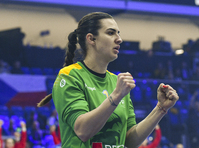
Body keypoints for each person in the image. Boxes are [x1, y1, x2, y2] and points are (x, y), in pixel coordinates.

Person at [37, 12, 179, 148]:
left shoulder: (115, 82)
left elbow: (129, 141)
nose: (119, 39)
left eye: (118, 33)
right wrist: (116, 95)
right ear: (91, 39)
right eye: (111, 33)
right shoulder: (70, 76)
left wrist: (161, 108)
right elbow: (82, 131)